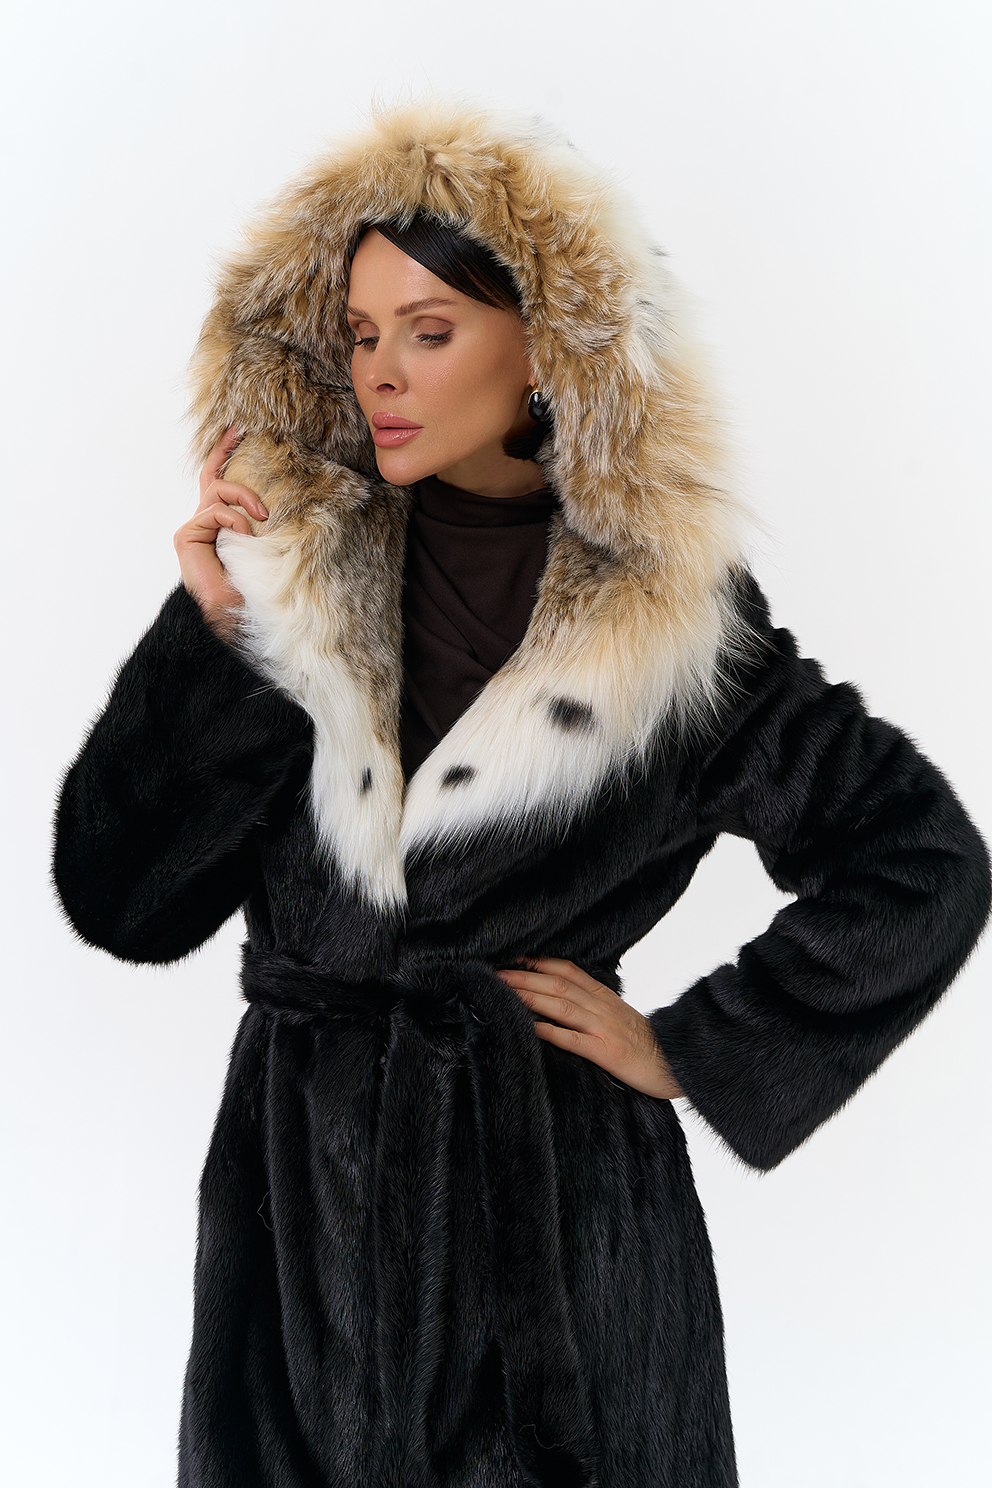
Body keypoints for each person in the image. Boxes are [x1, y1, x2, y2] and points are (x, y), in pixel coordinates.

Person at [52, 100, 990, 1488]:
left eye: (429, 331)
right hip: (297, 1234)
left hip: (553, 1222)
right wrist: (218, 639)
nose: (382, 372)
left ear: (546, 344)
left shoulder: (665, 622)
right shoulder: (289, 579)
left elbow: (920, 859)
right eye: (360, 334)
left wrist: (696, 1048)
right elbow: (121, 902)